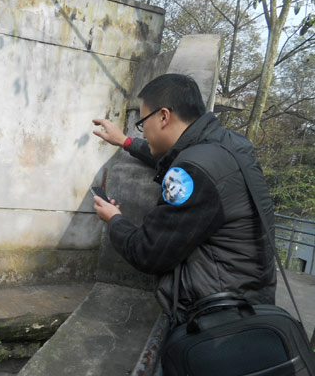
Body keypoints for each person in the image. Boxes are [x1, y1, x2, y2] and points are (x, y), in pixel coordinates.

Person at [92, 73, 276, 324]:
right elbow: (170, 155)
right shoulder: (227, 144)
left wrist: (114, 220)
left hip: (215, 320)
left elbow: (148, 252)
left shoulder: (190, 172)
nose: (143, 132)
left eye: (142, 123)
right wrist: (125, 141)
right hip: (250, 299)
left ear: (164, 116)